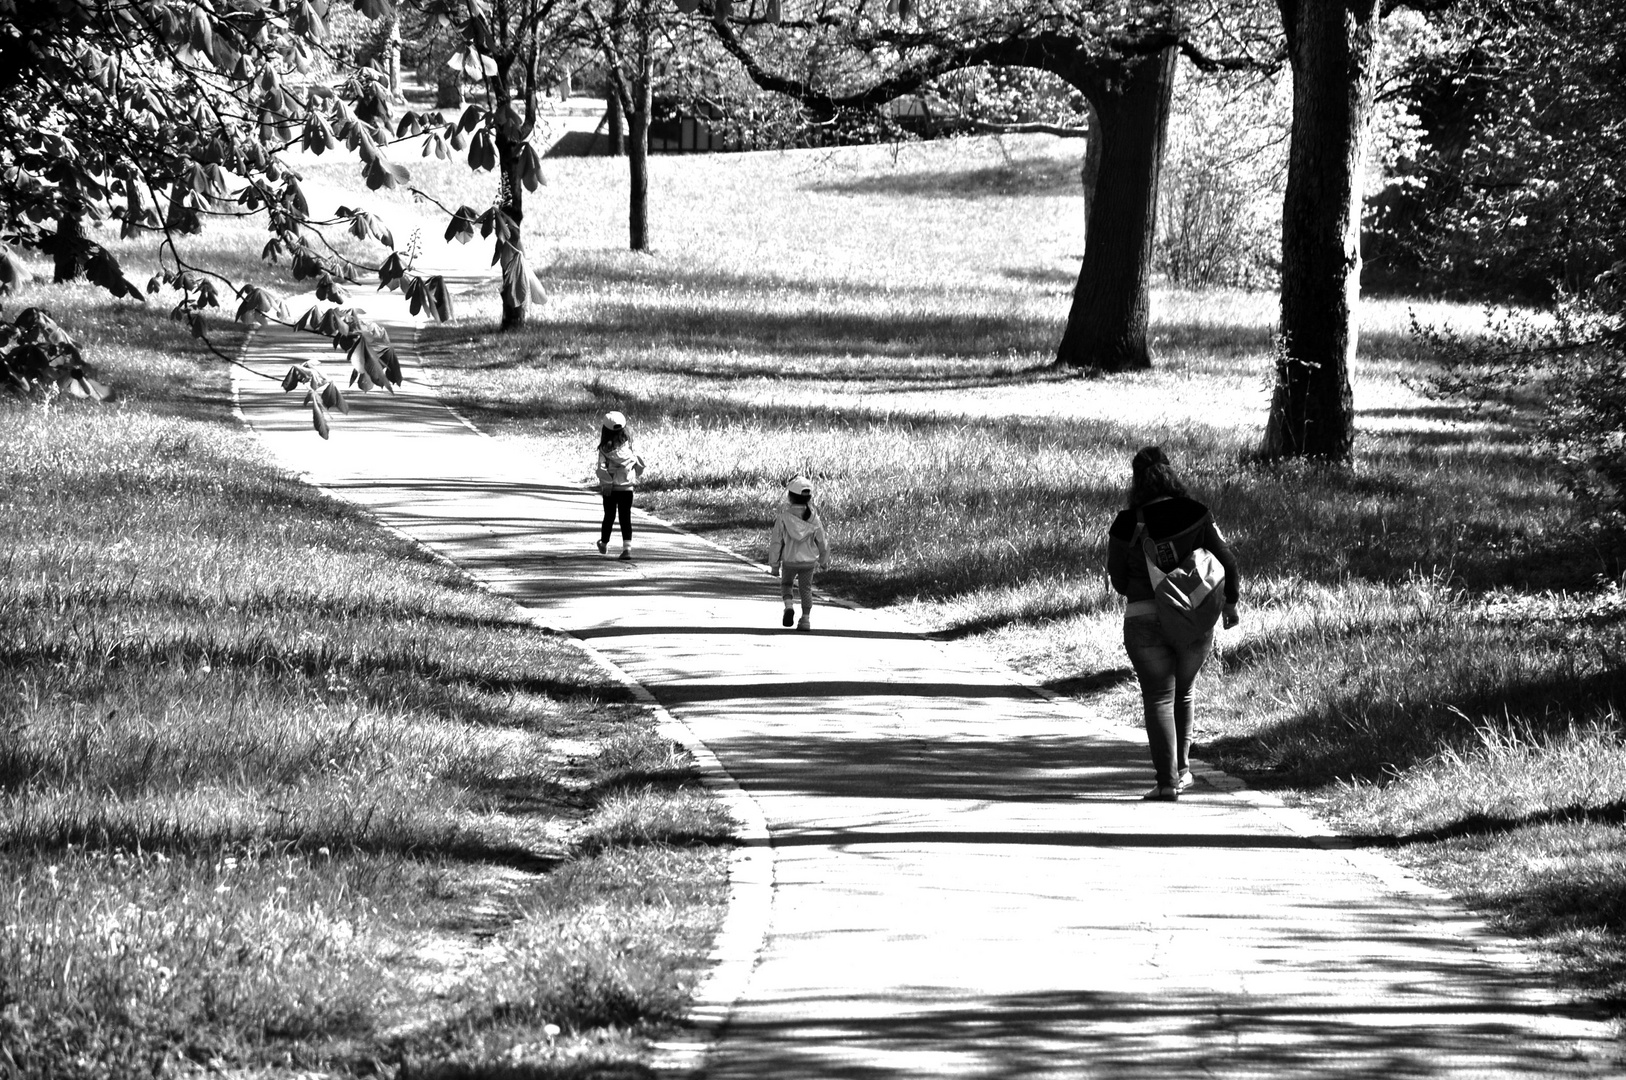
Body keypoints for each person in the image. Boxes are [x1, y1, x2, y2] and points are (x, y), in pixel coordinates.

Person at [1106, 446, 1240, 802]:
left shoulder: (1125, 523)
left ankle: (1166, 782)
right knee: (1184, 691)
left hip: (1143, 619)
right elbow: (1227, 560)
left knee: (1158, 698)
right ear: (1170, 473)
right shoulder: (1197, 513)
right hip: (1193, 618)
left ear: (1137, 482)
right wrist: (1230, 604)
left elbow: (1119, 580)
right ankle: (1183, 771)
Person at [767, 476, 831, 631]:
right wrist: (823, 560)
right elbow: (822, 541)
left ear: (790, 496)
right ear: (809, 497)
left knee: (787, 584)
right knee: (806, 589)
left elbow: (776, 543)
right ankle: (806, 619)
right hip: (808, 562)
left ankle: (789, 606)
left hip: (789, 561)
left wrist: (774, 565)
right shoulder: (814, 518)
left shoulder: (783, 518)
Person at [594, 410, 645, 561]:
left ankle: (604, 543)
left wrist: (606, 483)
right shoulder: (629, 448)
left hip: (610, 489)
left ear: (605, 430)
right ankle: (627, 549)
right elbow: (639, 464)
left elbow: (601, 469)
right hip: (627, 488)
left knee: (609, 516)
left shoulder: (604, 449)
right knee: (625, 517)